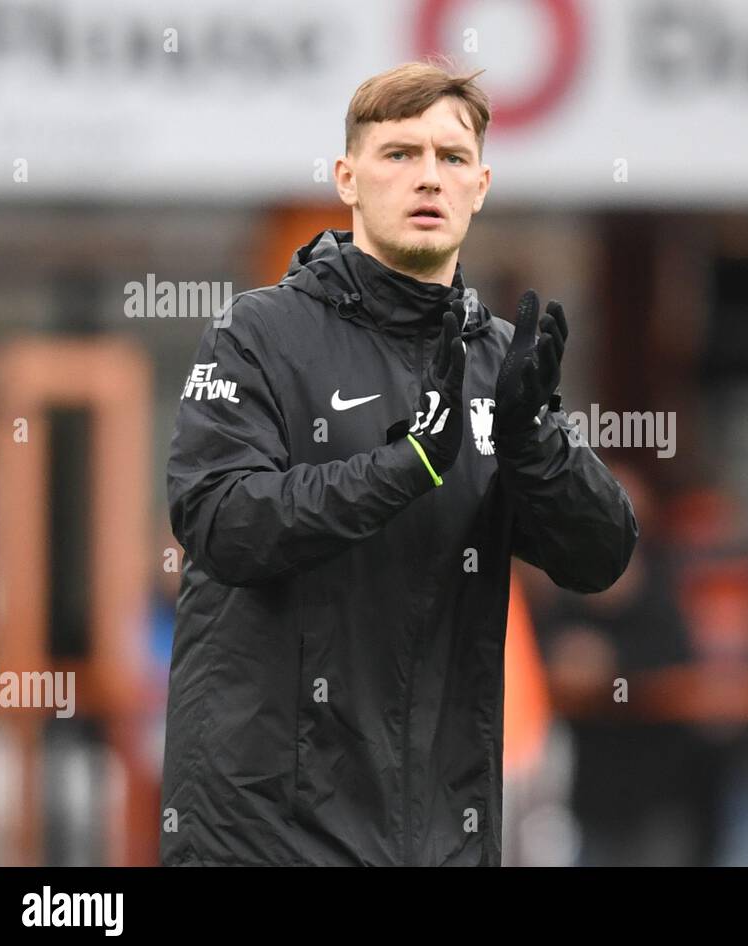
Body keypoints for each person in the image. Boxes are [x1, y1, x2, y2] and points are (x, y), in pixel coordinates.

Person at [160, 60, 639, 866]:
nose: (428, 177)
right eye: (399, 154)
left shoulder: (497, 363)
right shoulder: (258, 335)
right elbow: (221, 520)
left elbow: (603, 555)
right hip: (264, 833)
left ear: (480, 186)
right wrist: (406, 464)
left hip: (439, 833)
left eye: (451, 159)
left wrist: (535, 447)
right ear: (348, 179)